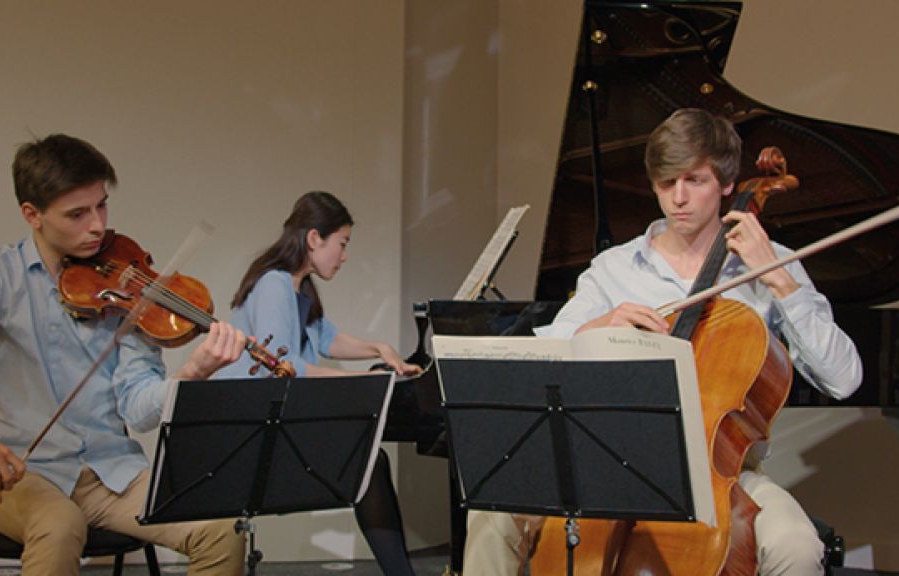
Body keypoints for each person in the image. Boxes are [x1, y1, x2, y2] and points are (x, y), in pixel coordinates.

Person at [462, 108, 863, 576]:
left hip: (723, 474)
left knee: (796, 547)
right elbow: (547, 358)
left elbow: (844, 378)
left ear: (728, 184)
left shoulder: (772, 265)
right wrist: (599, 326)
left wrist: (779, 282)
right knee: (491, 513)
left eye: (694, 181)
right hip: (608, 459)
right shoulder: (614, 269)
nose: (678, 198)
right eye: (665, 182)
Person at [0, 134, 249, 575]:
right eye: (77, 214)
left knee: (223, 527)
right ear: (32, 215)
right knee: (60, 525)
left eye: (101, 205)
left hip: (113, 472)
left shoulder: (128, 285)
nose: (97, 225)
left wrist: (193, 371)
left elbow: (137, 410)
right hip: (26, 476)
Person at [216, 190, 421, 575]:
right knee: (370, 461)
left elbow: (327, 341)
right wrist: (364, 381)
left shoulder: (300, 288)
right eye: (341, 244)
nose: (343, 256)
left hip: (279, 419)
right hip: (255, 429)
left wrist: (380, 349)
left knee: (370, 460)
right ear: (314, 238)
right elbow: (285, 364)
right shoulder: (275, 284)